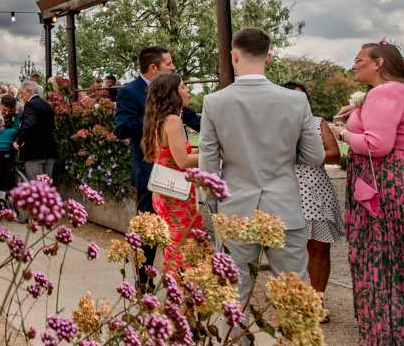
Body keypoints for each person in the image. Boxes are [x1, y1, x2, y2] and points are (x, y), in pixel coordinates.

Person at [199, 28, 325, 307]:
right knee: (293, 294)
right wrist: (282, 153)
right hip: (284, 207)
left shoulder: (214, 102)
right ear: (268, 58)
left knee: (234, 296)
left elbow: (208, 164)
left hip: (235, 207)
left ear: (233, 56)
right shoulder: (296, 100)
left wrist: (215, 204)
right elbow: (315, 155)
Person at [329, 42, 404, 343]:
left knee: (384, 256)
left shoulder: (384, 94)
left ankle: (388, 332)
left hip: (391, 184)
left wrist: (342, 133)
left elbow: (377, 144)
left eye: (358, 59)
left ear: (379, 63)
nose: (353, 65)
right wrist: (360, 109)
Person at [114, 45, 201, 279]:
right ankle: (144, 283)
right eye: (168, 63)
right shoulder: (129, 91)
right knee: (150, 234)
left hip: (178, 173)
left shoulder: (174, 93)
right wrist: (157, 114)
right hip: (150, 173)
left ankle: (179, 279)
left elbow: (193, 119)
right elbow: (122, 128)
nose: (173, 67)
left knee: (178, 235)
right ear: (154, 67)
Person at [280, 81, 343, 310]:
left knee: (319, 249)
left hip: (316, 192)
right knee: (288, 250)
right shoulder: (272, 125)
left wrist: (302, 155)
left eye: (303, 97)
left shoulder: (317, 123)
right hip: (284, 191)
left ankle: (316, 302)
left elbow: (335, 154)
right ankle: (294, 301)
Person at [141, 73, 203, 277]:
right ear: (171, 93)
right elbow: (182, 160)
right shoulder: (173, 120)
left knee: (174, 245)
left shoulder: (157, 119)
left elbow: (170, 155)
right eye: (183, 87)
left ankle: (175, 288)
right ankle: (182, 291)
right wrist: (212, 156)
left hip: (164, 192)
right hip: (177, 195)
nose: (188, 90)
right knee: (185, 246)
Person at [14, 81, 58, 179]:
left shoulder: (30, 105)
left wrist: (18, 141)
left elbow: (29, 124)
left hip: (33, 151)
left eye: (22, 93)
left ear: (28, 91)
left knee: (36, 184)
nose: (21, 96)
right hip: (49, 150)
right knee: (47, 184)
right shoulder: (47, 105)